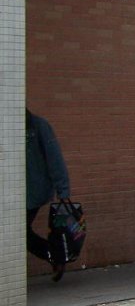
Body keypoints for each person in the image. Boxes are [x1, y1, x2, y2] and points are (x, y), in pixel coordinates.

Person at [26, 109, 71, 280]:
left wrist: (63, 190)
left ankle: (54, 254)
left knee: (20, 232)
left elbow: (54, 158)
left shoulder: (38, 126)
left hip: (33, 191)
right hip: (16, 192)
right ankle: (54, 255)